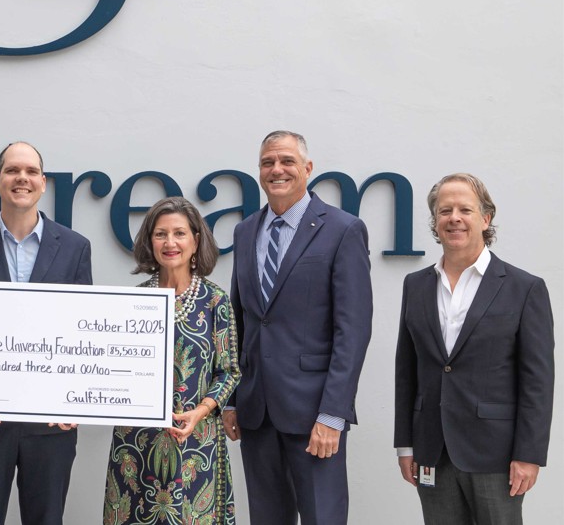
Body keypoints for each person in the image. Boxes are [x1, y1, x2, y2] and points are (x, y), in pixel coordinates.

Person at [222, 130, 373, 525]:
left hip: (314, 414)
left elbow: (352, 332)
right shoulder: (244, 232)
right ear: (259, 172)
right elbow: (241, 322)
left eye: (287, 161)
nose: (277, 169)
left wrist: (333, 415)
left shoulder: (343, 229)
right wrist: (234, 398)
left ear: (307, 169)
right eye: (268, 162)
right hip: (257, 411)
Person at [0, 141, 92, 525]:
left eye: (30, 172)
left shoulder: (75, 248)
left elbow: (83, 333)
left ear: (43, 183)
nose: (21, 178)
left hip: (51, 424)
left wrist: (75, 400)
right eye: (12, 171)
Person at [394, 173, 554, 524]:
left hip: (496, 456)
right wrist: (405, 444)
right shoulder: (416, 286)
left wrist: (529, 454)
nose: (454, 218)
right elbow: (406, 371)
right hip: (432, 450)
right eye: (444, 210)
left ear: (485, 218)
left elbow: (537, 382)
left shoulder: (524, 288)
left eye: (465, 209)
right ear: (435, 221)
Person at [103, 196, 240, 524]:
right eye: (160, 234)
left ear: (196, 240)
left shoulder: (215, 301)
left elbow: (230, 371)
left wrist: (202, 411)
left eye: (179, 233)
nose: (170, 242)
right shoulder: (133, 301)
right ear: (150, 242)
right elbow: (111, 366)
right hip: (136, 442)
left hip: (196, 439)